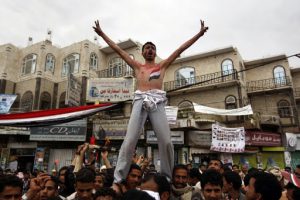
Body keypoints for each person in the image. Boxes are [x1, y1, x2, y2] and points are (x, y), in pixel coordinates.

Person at [93, 19, 208, 182]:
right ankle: (119, 178)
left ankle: (167, 178)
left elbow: (181, 48)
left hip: (158, 102)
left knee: (166, 141)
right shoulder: (137, 67)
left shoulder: (161, 66)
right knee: (131, 139)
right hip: (140, 100)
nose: (150, 50)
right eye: (147, 48)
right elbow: (117, 50)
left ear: (155, 52)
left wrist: (199, 34)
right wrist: (102, 33)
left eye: (152, 48)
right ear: (142, 52)